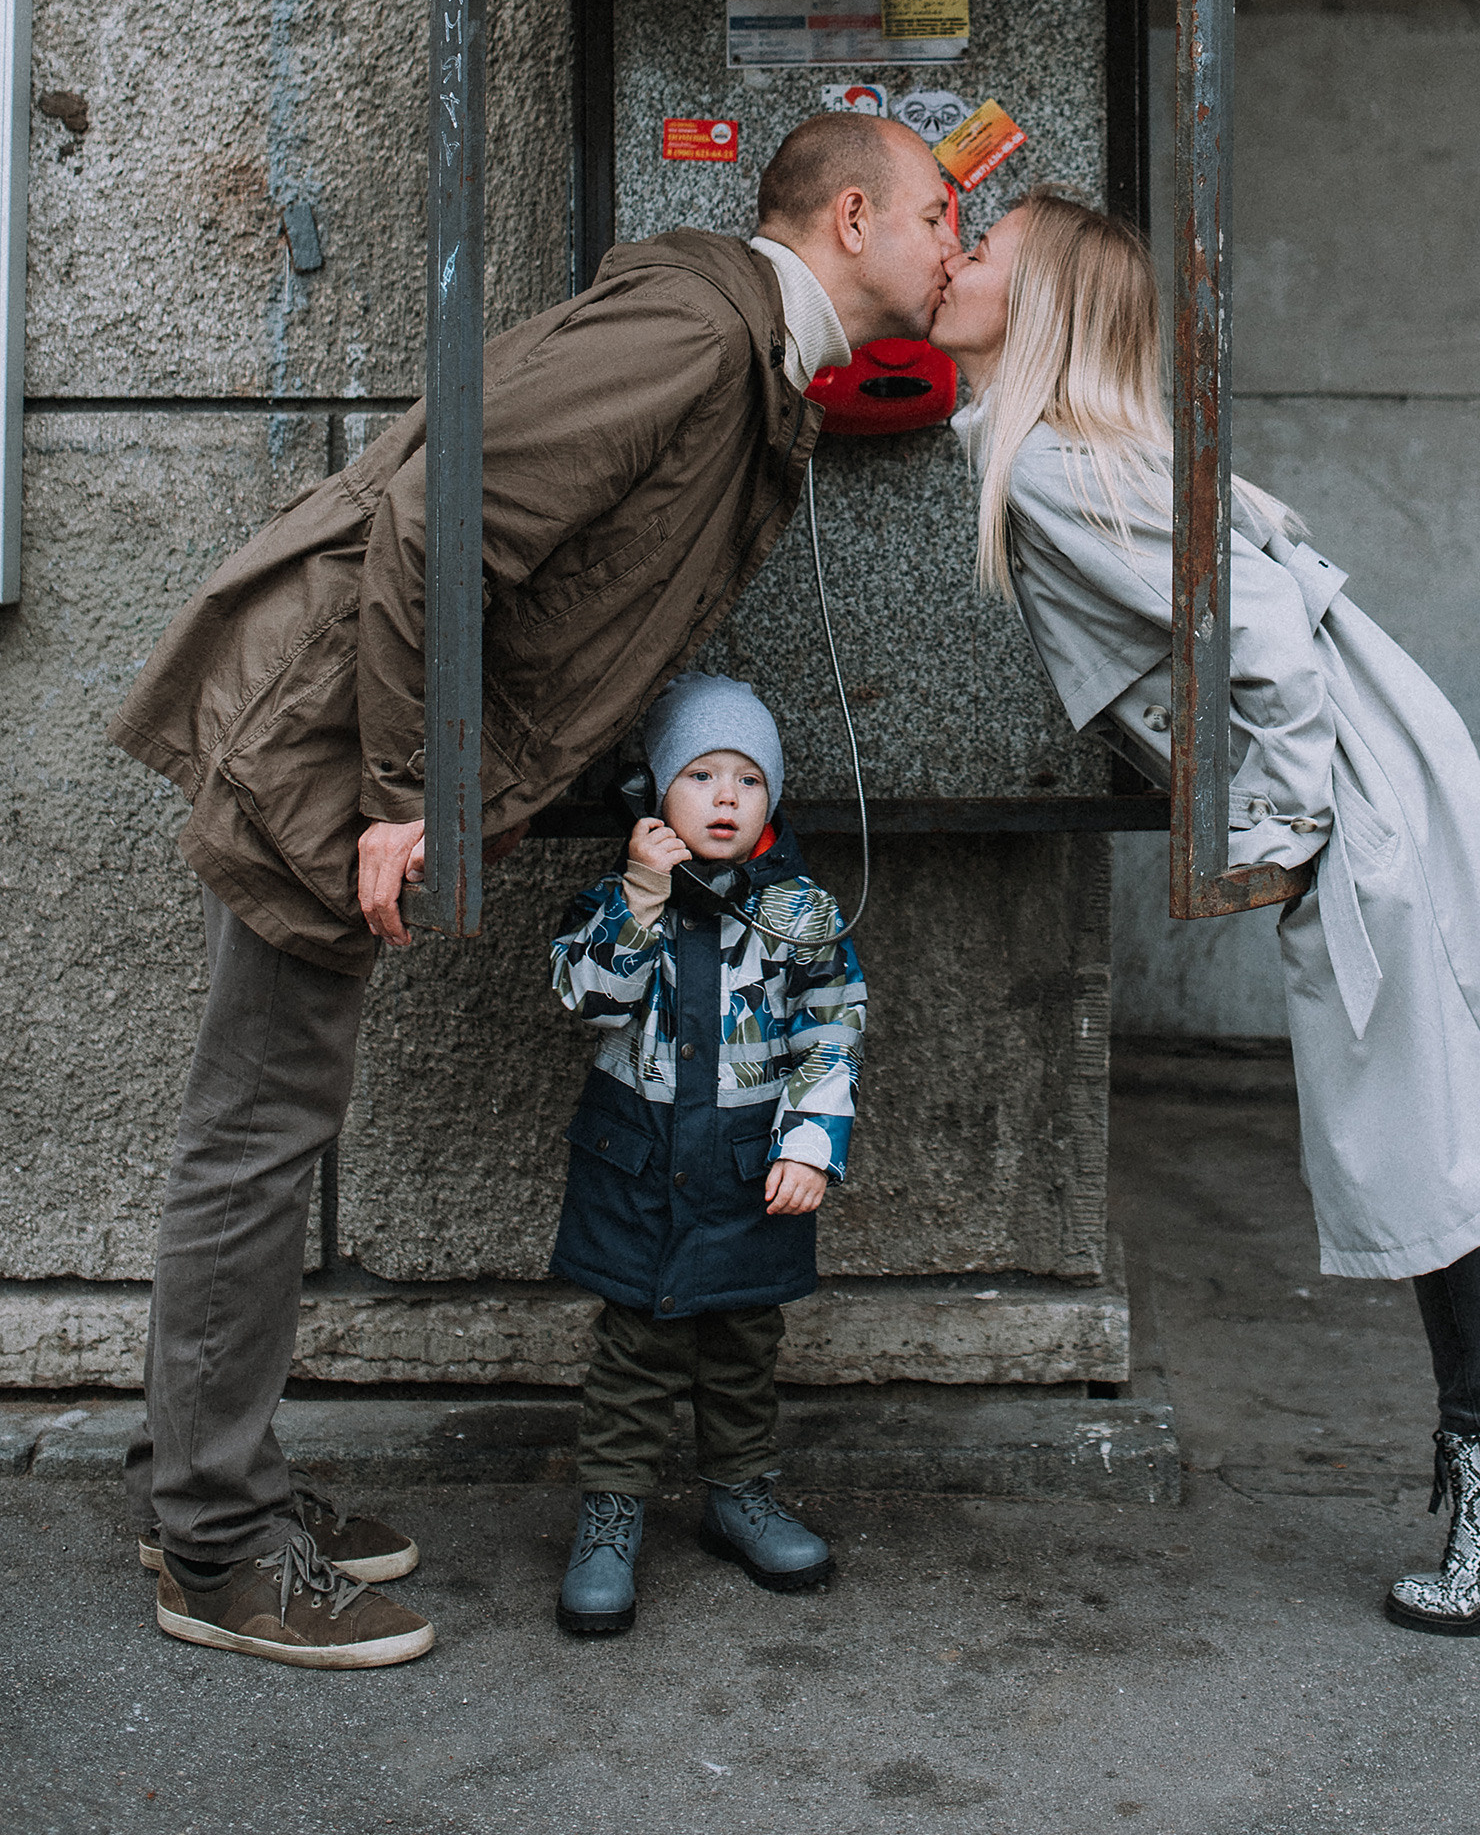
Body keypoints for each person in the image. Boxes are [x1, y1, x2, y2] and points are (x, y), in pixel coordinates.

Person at [929, 189, 1480, 1638]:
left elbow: (1265, 636)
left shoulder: (1047, 461)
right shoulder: (1068, 448)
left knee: (1418, 1133)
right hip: (1372, 769)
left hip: (1349, 790)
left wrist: (1286, 824)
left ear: (1036, 308)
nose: (949, 258)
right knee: (1429, 1127)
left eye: (978, 248)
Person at [110, 112, 949, 1669]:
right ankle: (215, 1544)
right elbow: (443, 518)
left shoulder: (739, 349)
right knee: (256, 1136)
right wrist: (403, 791)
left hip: (349, 744)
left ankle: (211, 1490)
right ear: (851, 216)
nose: (958, 241)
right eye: (942, 211)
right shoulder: (702, 336)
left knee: (261, 1129)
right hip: (330, 753)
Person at [545, 673, 862, 1631]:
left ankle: (740, 1493)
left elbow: (831, 1029)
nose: (726, 797)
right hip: (639, 1161)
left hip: (744, 1166)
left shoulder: (800, 914)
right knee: (634, 1352)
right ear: (650, 792)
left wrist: (810, 1144)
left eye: (748, 779)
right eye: (700, 773)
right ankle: (611, 1513)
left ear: (773, 799)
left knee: (742, 1342)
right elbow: (586, 999)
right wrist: (640, 898)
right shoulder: (615, 903)